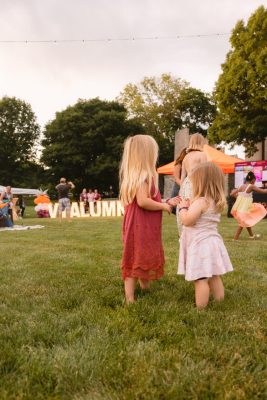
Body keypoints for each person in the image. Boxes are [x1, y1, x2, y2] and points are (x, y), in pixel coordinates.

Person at [120, 134, 179, 304]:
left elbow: (148, 199)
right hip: (140, 225)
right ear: (146, 154)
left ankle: (145, 288)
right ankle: (130, 298)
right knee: (134, 257)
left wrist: (166, 200)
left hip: (142, 224)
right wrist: (163, 206)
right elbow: (143, 201)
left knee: (141, 253)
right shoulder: (143, 176)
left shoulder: (139, 175)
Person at [177, 162, 233, 309]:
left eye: (194, 182)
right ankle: (220, 302)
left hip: (200, 244)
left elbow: (188, 221)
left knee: (200, 278)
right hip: (212, 242)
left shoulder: (201, 201)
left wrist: (183, 208)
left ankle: (200, 309)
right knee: (214, 274)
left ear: (201, 183)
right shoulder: (215, 202)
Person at [177, 133, 207, 233]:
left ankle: (184, 233)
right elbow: (204, 174)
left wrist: (181, 192)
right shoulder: (202, 155)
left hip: (186, 185)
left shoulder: (186, 157)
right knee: (197, 209)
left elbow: (182, 177)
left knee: (186, 208)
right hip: (197, 183)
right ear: (201, 142)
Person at [230, 171, 267, 240]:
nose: (255, 182)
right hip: (244, 208)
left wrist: (239, 197)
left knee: (246, 220)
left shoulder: (241, 186)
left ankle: (251, 235)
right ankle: (235, 238)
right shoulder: (251, 186)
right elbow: (263, 191)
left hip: (239, 207)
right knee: (242, 222)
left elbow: (231, 194)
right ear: (253, 180)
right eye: (255, 181)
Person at [171, 148, 187, 214]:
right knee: (176, 207)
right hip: (179, 187)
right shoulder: (178, 164)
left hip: (187, 187)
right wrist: (184, 186)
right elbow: (176, 178)